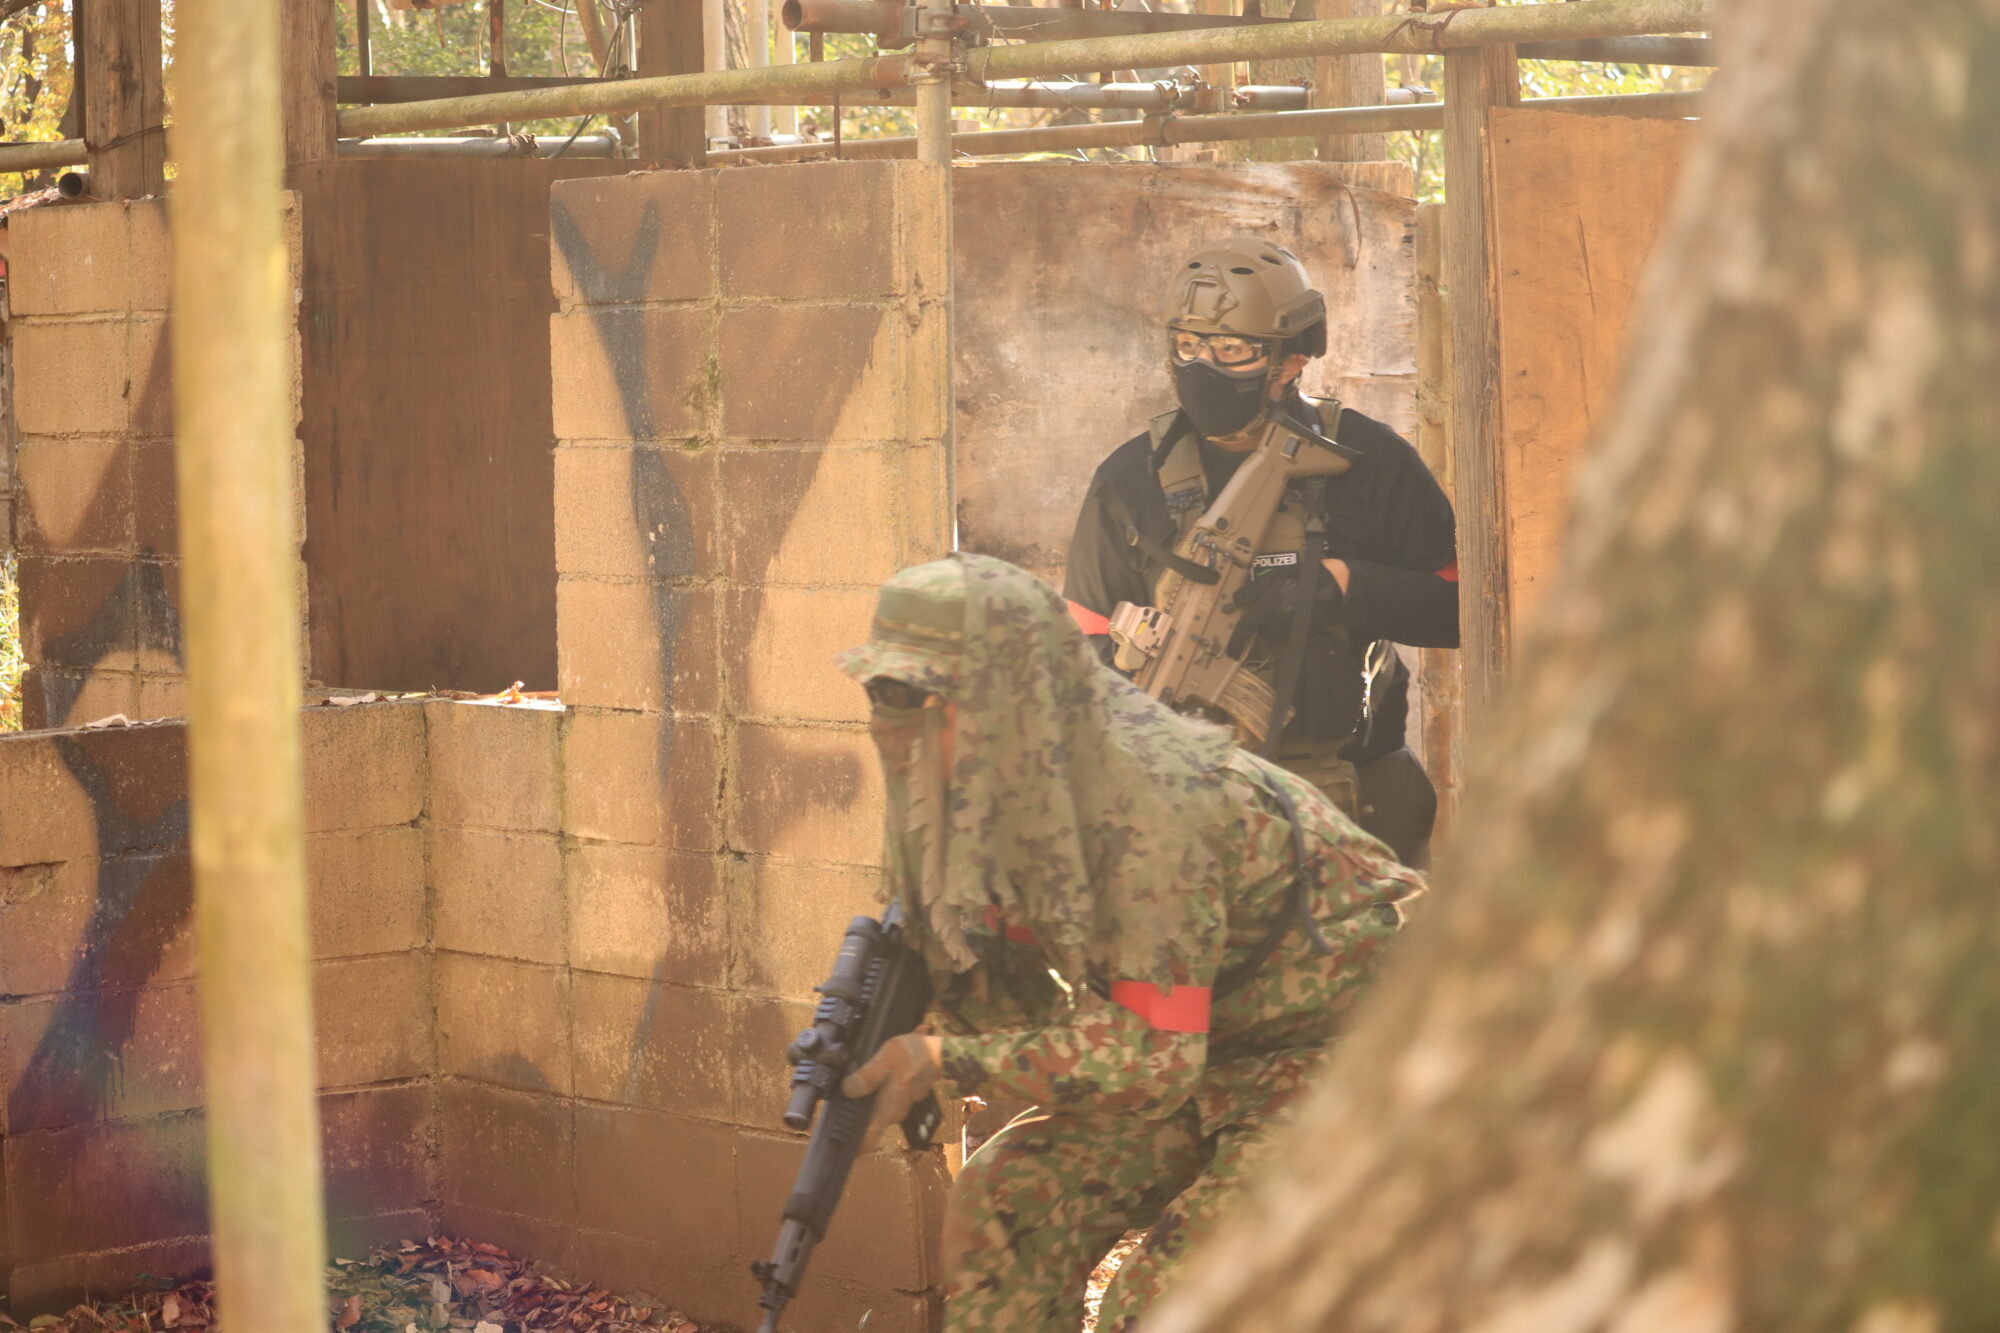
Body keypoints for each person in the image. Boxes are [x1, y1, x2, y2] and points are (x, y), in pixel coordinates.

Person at [835, 553, 1424, 1333]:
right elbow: (1033, 1010)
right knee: (1008, 1195)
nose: (900, 725)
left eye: (924, 697)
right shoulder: (997, 795)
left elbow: (1149, 1060)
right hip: (1215, 1055)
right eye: (887, 694)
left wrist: (943, 1058)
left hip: (1358, 1063)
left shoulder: (1147, 797)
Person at [1063, 234, 1459, 866]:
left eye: (1231, 349)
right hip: (1188, 812)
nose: (1202, 366)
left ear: (1291, 360)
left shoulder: (1371, 462)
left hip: (1356, 805)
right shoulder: (1131, 478)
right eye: (1187, 345)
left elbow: (1462, 610)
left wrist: (1343, 585)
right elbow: (1080, 649)